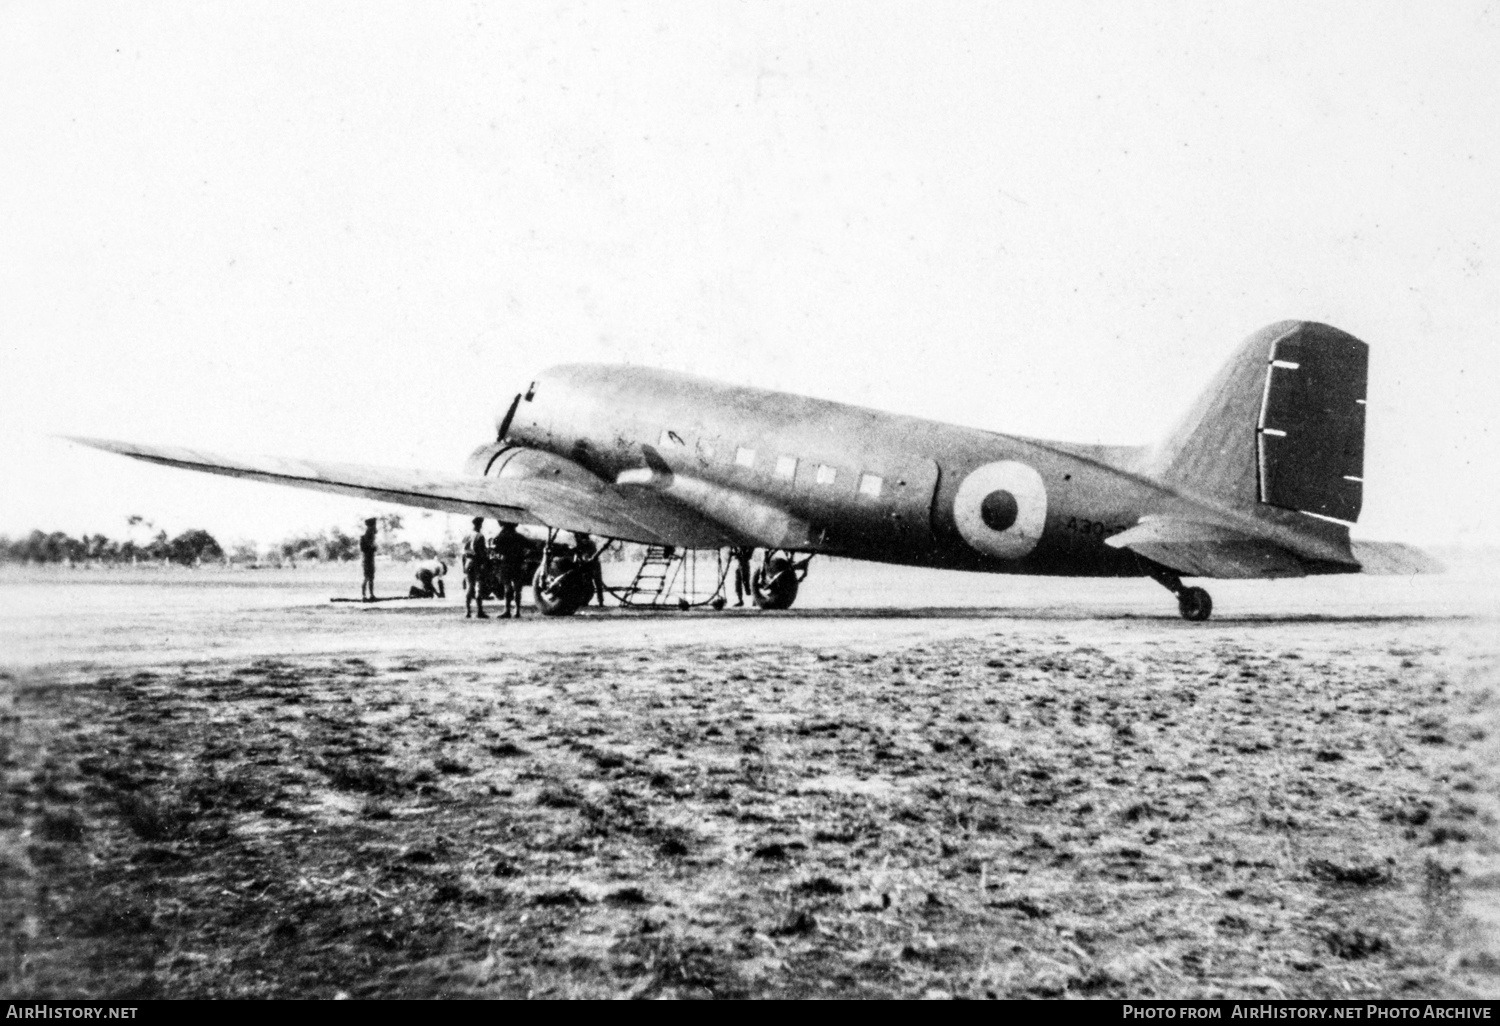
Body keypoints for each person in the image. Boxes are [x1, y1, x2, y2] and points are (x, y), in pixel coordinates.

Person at [492, 522, 528, 618]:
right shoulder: (519, 537)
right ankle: (517, 611)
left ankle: (507, 610)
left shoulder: (501, 536)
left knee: (507, 587)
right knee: (517, 588)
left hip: (506, 563)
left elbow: (495, 547)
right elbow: (530, 546)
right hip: (518, 563)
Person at [461, 518, 490, 619]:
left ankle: (468, 612)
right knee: (479, 586)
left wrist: (463, 566)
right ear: (480, 525)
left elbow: (463, 553)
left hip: (468, 562)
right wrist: (484, 563)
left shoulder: (467, 535)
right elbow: (481, 552)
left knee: (469, 586)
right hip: (477, 562)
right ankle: (479, 611)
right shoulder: (480, 536)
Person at [573, 533, 605, 606]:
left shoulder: (581, 544)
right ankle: (600, 601)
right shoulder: (591, 543)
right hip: (594, 565)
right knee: (597, 584)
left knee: (589, 584)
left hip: (589, 566)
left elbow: (583, 556)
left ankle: (586, 601)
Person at [360, 518, 379, 601]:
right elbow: (365, 548)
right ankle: (364, 595)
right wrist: (372, 547)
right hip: (367, 560)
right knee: (367, 577)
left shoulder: (371, 536)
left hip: (370, 560)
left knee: (371, 578)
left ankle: (371, 594)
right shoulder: (365, 537)